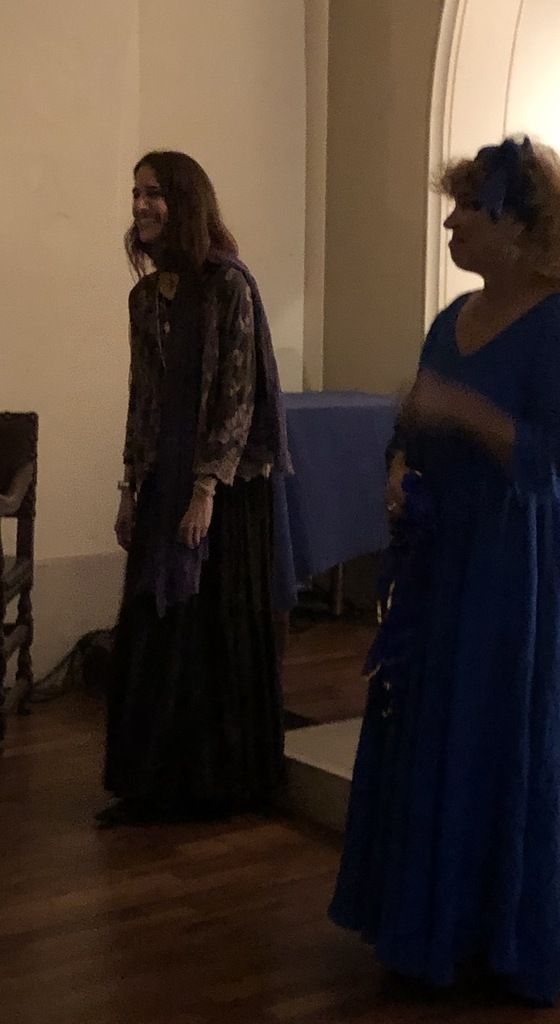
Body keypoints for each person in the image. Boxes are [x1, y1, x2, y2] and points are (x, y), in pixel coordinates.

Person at [329, 135, 560, 1007]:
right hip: (443, 555)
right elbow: (412, 424)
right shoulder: (451, 317)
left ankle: (496, 939)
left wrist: (462, 407)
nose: (451, 222)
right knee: (430, 727)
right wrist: (397, 468)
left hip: (519, 566)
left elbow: (557, 459)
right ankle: (426, 928)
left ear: (520, 229)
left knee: (495, 731)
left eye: (469, 208)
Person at [100, 151, 290, 826]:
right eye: (136, 193)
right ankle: (149, 784)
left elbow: (240, 393)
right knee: (155, 629)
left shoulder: (229, 285)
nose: (141, 205)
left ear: (185, 202)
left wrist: (206, 488)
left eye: (153, 193)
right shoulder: (145, 298)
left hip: (226, 486)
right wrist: (130, 487)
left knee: (210, 634)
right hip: (164, 478)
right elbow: (142, 399)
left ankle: (217, 787)